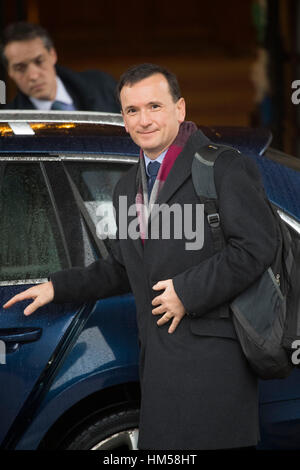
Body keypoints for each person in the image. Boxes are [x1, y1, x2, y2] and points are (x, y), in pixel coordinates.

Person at [3, 63, 277, 450]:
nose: (143, 120)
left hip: (214, 371)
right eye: (132, 111)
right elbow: (122, 265)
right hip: (158, 372)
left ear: (179, 109)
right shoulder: (129, 185)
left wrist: (187, 291)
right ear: (124, 118)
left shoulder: (223, 167)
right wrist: (56, 286)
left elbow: (257, 245)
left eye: (154, 106)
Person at [0, 22, 119, 112]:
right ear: (9, 72)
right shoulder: (7, 125)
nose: (33, 76)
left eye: (39, 61)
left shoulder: (102, 86)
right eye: (20, 68)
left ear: (53, 55)